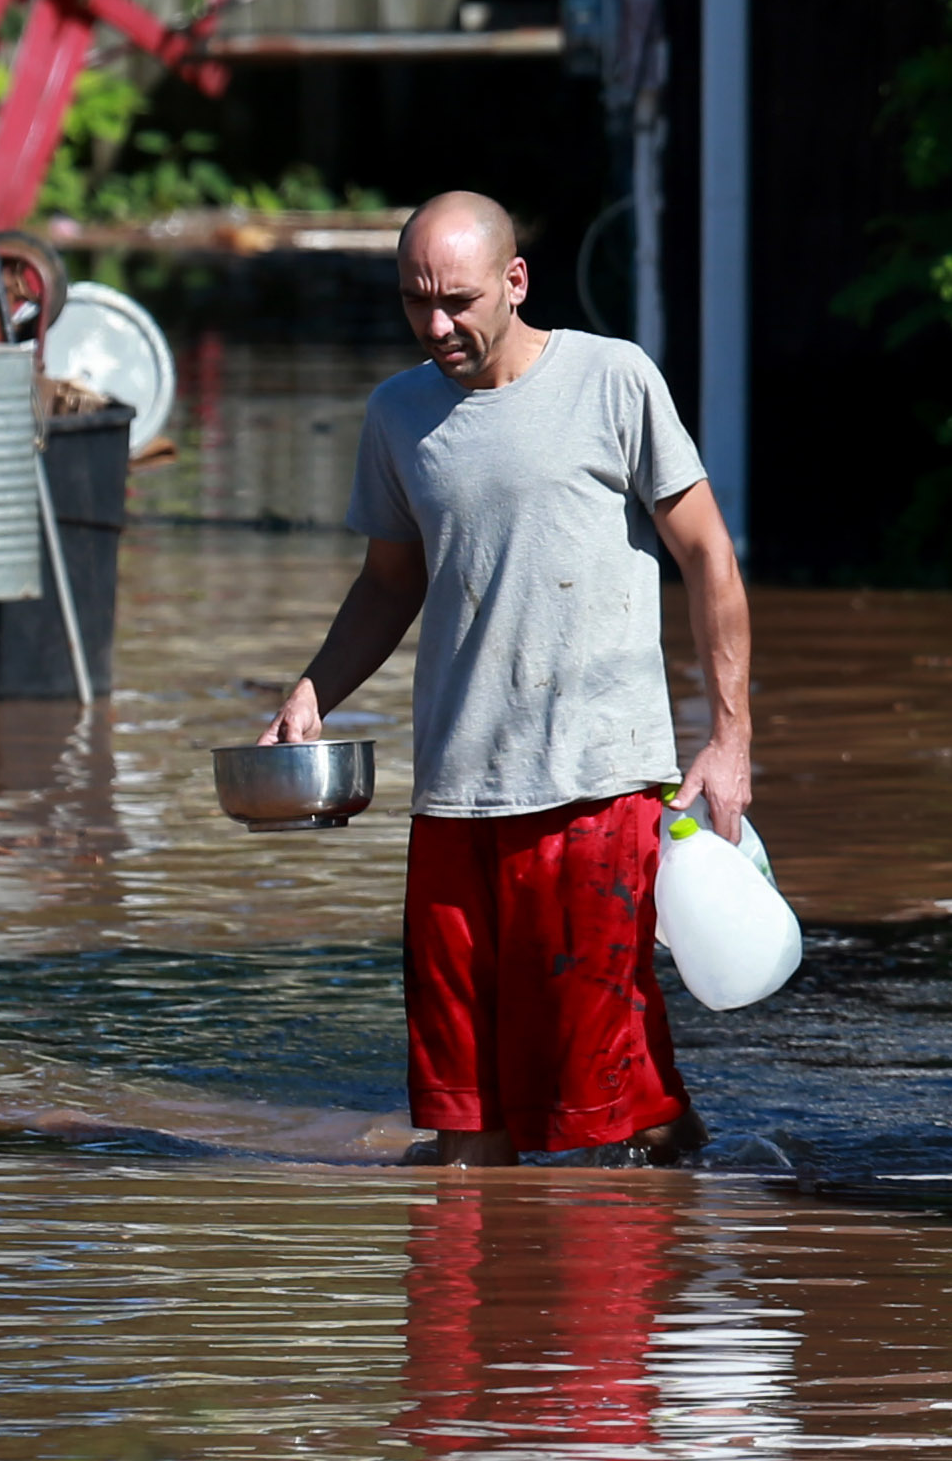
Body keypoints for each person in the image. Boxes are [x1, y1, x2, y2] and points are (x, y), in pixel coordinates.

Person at [261, 190, 753, 1167]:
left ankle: (667, 1216)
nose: (437, 324)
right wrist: (314, 691)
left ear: (515, 280)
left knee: (604, 1124)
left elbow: (708, 554)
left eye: (458, 300)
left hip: (593, 790)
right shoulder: (398, 413)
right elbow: (390, 581)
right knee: (463, 1131)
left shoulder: (612, 379)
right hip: (454, 797)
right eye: (416, 301)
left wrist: (729, 738)